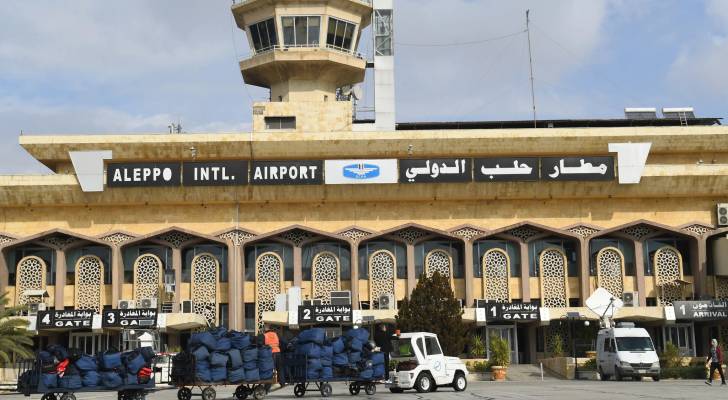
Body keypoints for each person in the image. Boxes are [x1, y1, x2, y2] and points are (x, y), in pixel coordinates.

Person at [263, 325, 285, 392]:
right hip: (278, 352)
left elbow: (263, 344)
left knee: (270, 370)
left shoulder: (265, 335)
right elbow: (281, 342)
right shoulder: (275, 334)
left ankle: (267, 387)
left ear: (265, 330)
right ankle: (282, 383)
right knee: (280, 369)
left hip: (271, 353)